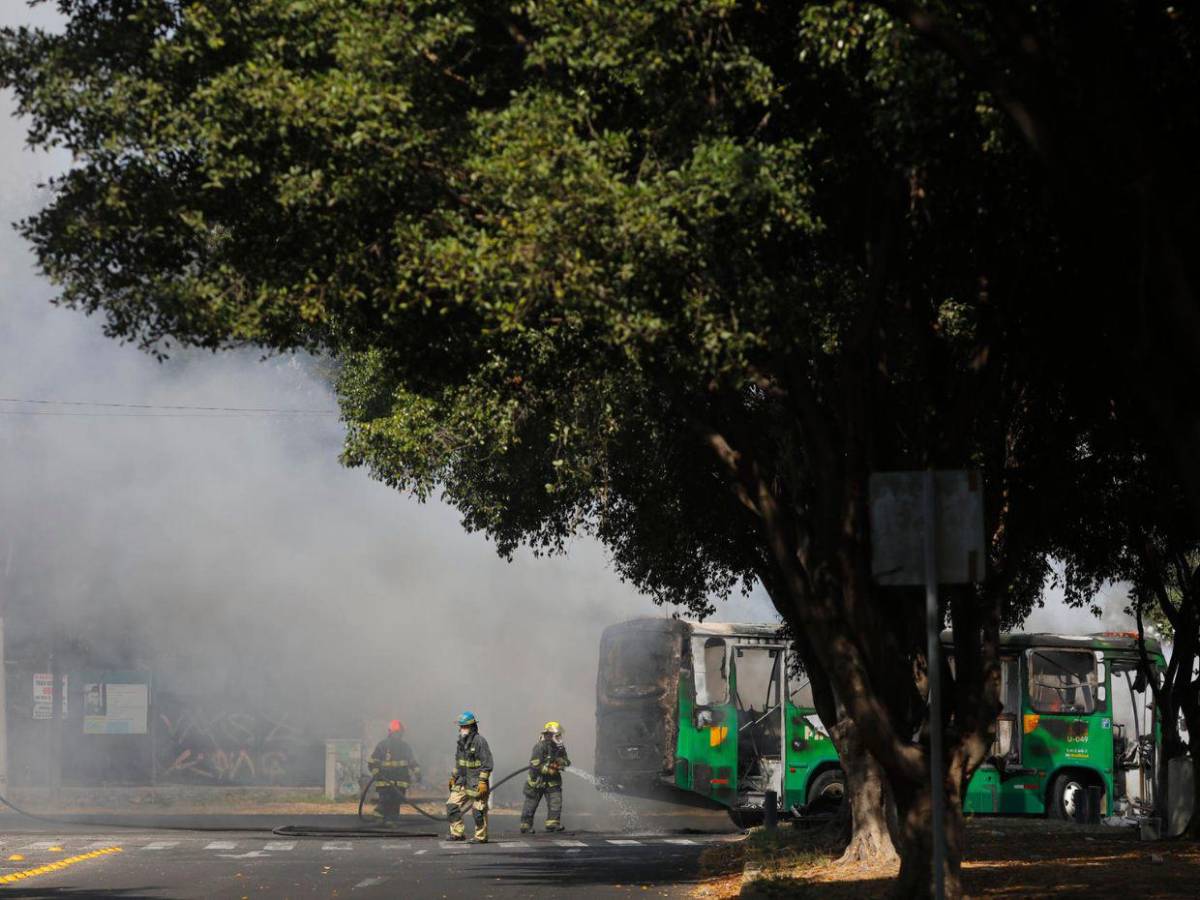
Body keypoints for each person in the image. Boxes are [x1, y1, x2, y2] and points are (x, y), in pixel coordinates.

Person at [446, 711, 493, 843]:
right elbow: (459, 763)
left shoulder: (480, 742)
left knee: (478, 811)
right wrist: (454, 777)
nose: (461, 729)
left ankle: (481, 836)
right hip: (463, 781)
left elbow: (487, 763)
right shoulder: (461, 743)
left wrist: (483, 781)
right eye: (460, 727)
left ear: (472, 727)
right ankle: (457, 833)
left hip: (477, 782)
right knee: (451, 805)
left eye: (464, 726)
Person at [520, 721, 570, 834]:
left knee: (556, 801)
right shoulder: (539, 746)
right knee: (531, 804)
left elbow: (567, 762)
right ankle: (525, 826)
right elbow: (535, 764)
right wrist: (549, 770)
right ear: (549, 734)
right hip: (537, 781)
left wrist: (559, 763)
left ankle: (552, 824)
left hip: (552, 782)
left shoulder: (559, 748)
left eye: (559, 735)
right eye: (557, 735)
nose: (559, 737)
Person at [368, 719, 420, 824]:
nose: (396, 735)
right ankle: (381, 818)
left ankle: (388, 820)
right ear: (391, 732)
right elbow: (372, 761)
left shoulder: (404, 746)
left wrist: (417, 772)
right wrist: (376, 773)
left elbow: (412, 761)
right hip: (385, 781)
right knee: (386, 801)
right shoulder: (382, 746)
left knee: (395, 802)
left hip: (399, 782)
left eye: (398, 733)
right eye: (395, 733)